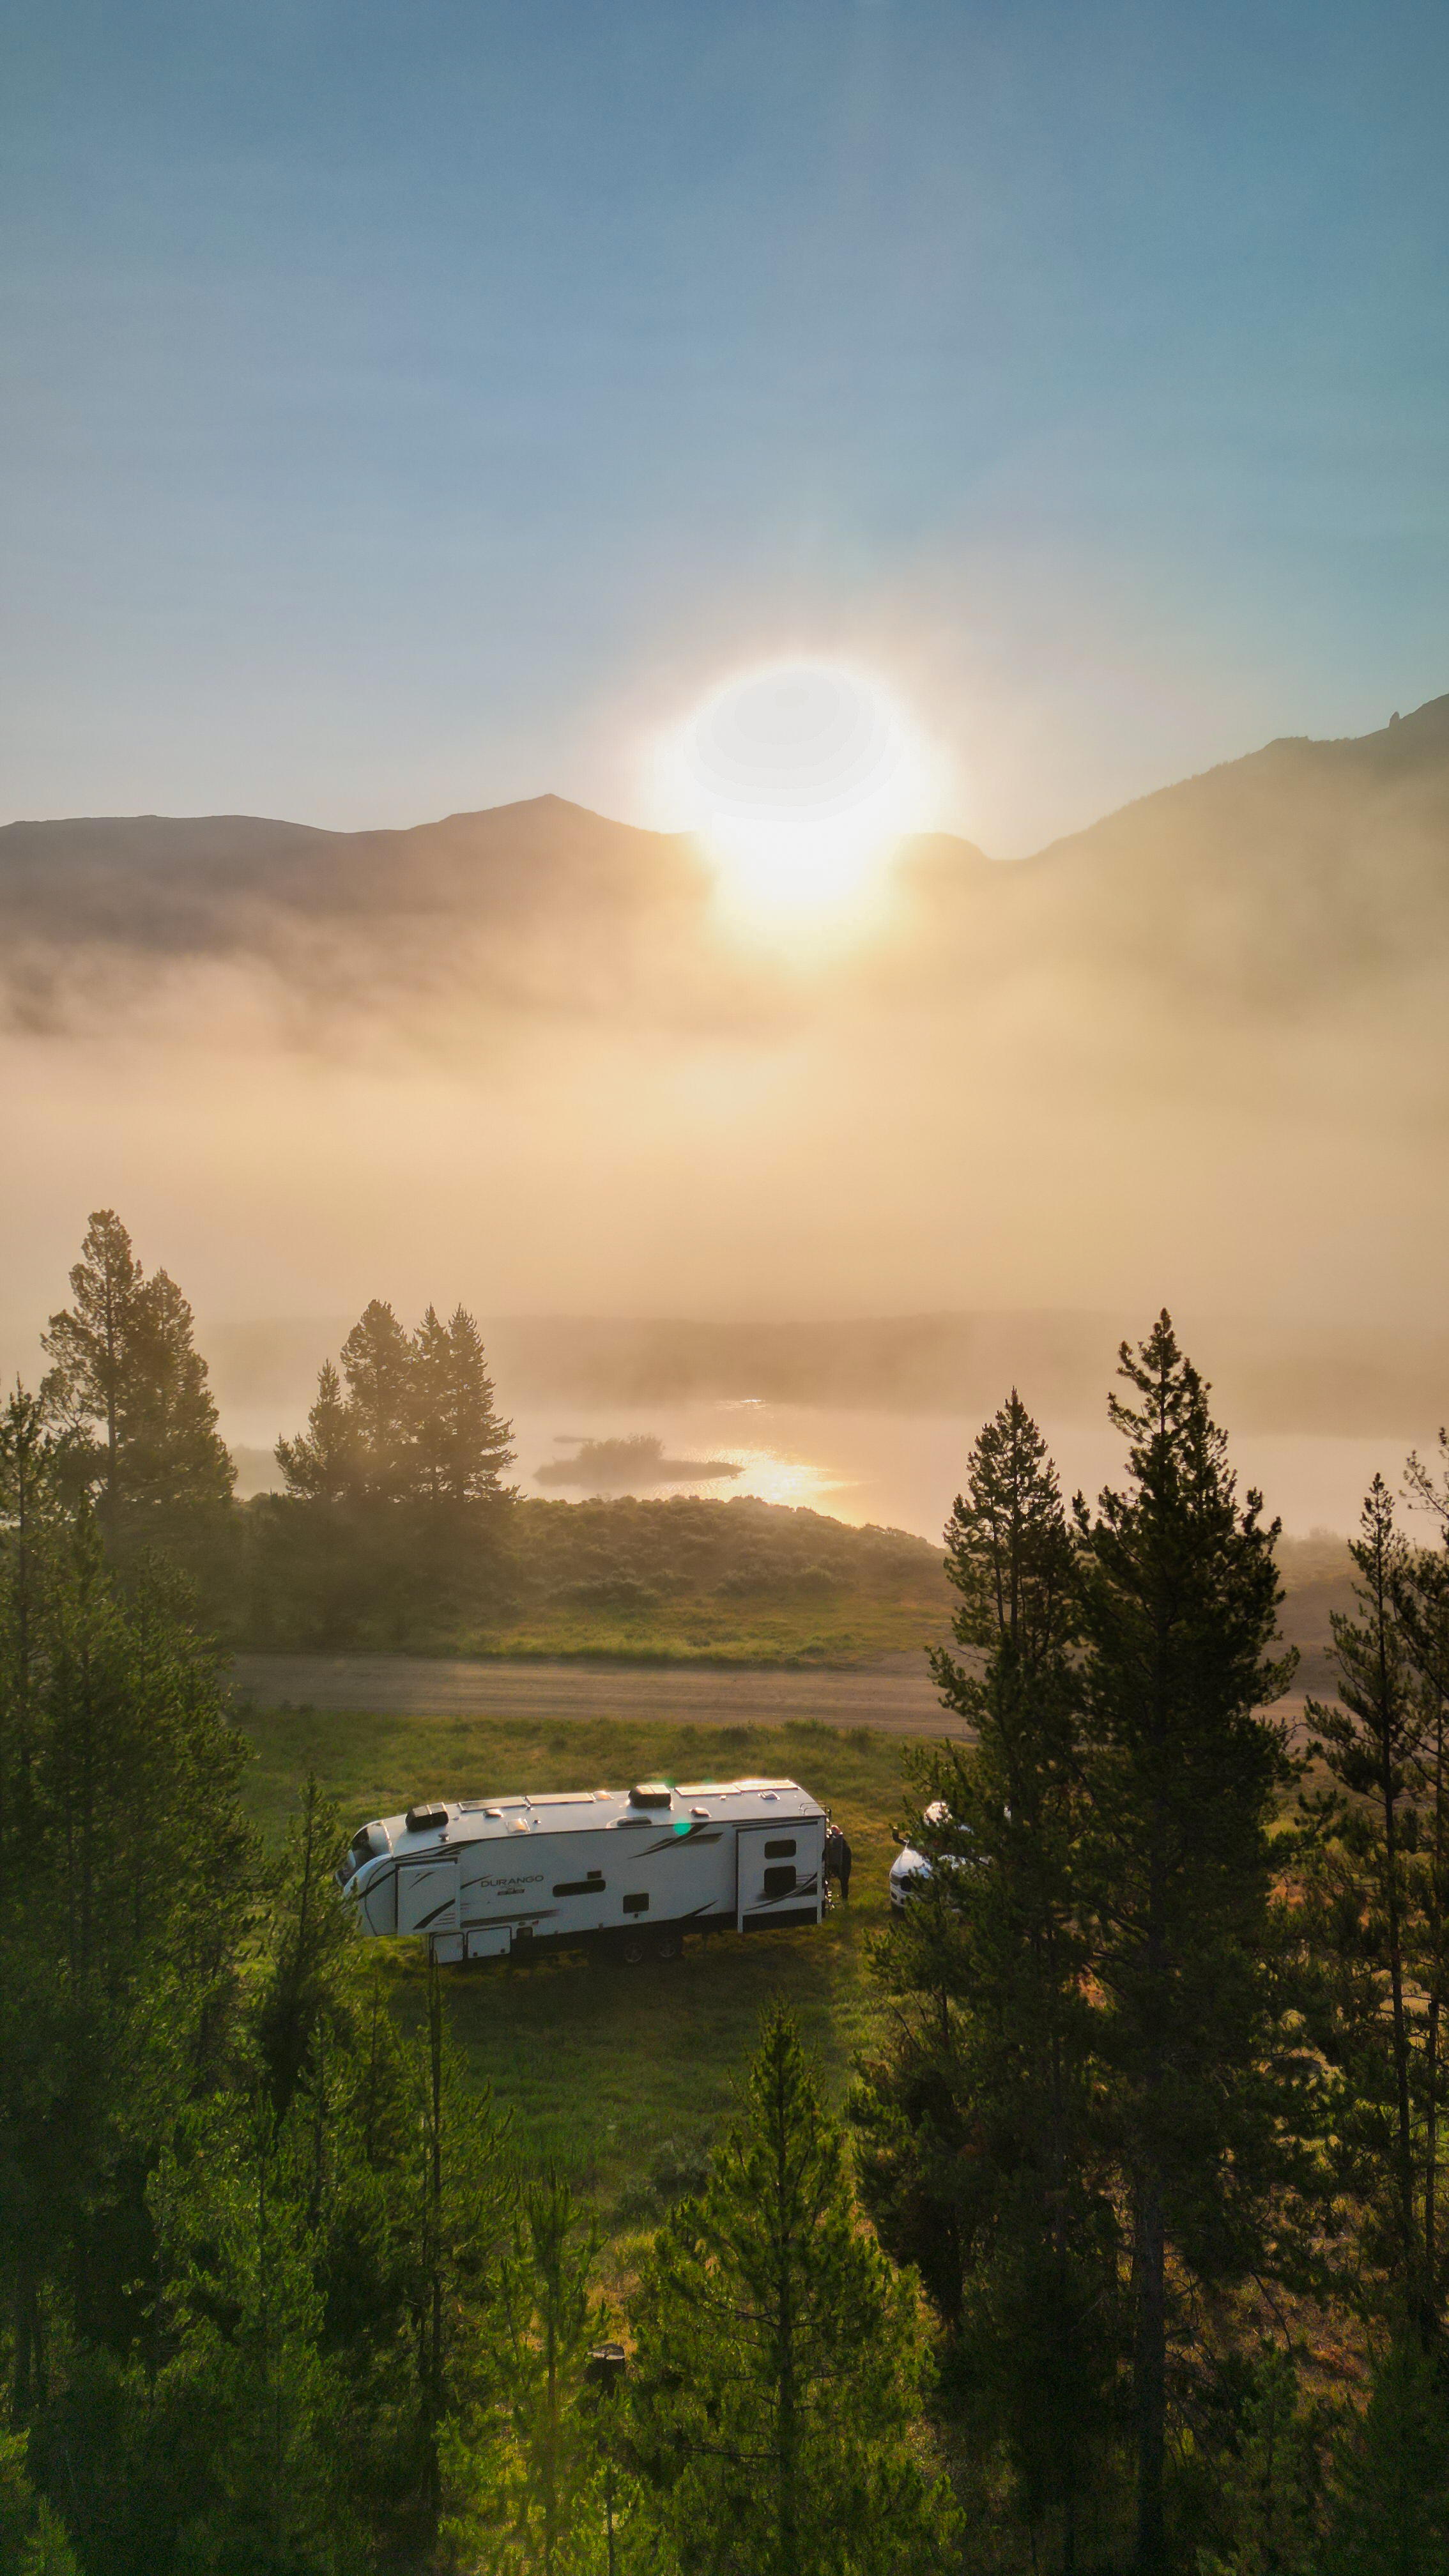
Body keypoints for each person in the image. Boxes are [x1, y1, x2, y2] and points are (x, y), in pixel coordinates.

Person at [824, 1821, 852, 1903]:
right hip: (842, 1861)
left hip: (844, 1862)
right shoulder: (841, 1843)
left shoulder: (842, 1846)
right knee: (843, 1879)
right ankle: (844, 1895)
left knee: (844, 1879)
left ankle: (845, 1897)